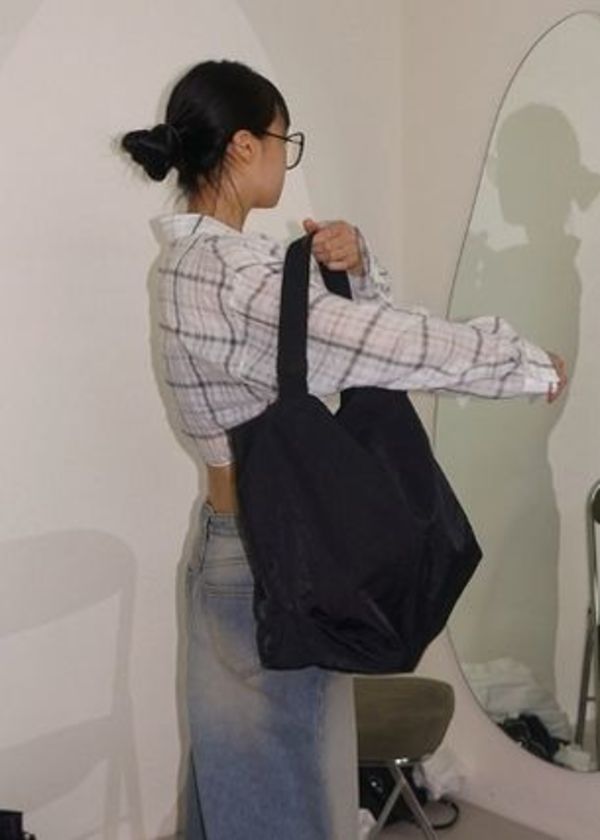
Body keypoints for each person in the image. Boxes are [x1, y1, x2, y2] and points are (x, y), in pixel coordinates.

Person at [119, 58, 567, 840]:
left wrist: (354, 268)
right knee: (273, 798)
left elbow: (336, 343)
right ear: (244, 147)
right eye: (284, 141)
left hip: (247, 544)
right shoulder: (228, 274)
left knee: (238, 784)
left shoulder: (207, 265)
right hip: (264, 558)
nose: (286, 159)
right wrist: (522, 363)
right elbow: (376, 346)